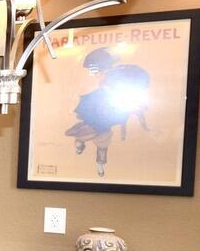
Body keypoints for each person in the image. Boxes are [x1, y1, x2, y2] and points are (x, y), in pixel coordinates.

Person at [64, 47, 151, 177]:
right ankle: (82, 147)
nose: (93, 73)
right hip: (100, 108)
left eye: (95, 70)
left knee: (101, 140)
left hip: (107, 111)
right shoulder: (103, 80)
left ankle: (98, 163)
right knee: (93, 134)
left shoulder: (119, 75)